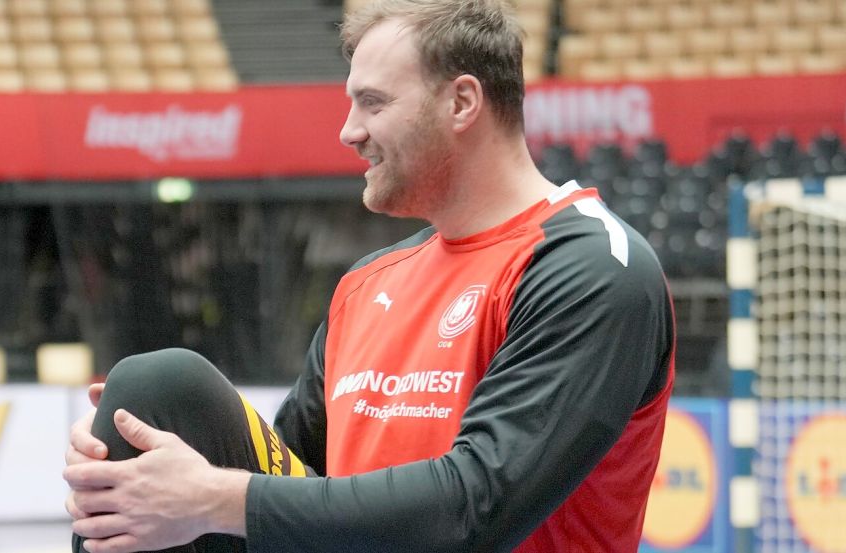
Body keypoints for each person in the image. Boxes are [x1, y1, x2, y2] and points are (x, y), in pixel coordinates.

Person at [64, 0, 675, 551]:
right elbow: (296, 487)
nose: (348, 131)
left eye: (373, 103)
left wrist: (212, 497)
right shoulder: (367, 282)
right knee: (157, 390)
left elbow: (477, 507)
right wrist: (135, 477)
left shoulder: (590, 266)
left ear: (462, 103)